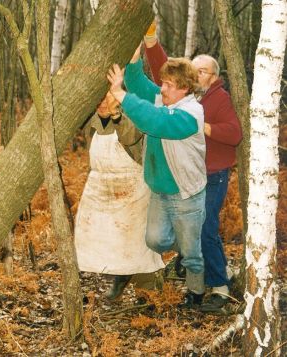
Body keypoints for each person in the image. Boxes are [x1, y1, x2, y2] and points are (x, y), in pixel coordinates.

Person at [144, 22, 243, 312]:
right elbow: (164, 68)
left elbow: (234, 134)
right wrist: (151, 43)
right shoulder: (190, 96)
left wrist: (202, 127)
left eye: (202, 71)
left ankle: (221, 287)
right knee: (191, 231)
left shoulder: (219, 99)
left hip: (213, 175)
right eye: (194, 70)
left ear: (213, 76)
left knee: (206, 229)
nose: (196, 74)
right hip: (190, 176)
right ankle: (193, 265)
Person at [106, 47, 207, 309]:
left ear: (184, 89)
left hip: (186, 194)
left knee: (193, 255)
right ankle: (185, 243)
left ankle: (195, 295)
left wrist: (121, 95)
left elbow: (156, 122)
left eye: (169, 85)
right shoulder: (164, 100)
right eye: (163, 82)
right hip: (160, 190)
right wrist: (133, 57)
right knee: (155, 240)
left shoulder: (191, 114)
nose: (162, 88)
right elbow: (139, 84)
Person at [74, 92, 164, 301]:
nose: (103, 103)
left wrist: (116, 116)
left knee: (137, 243)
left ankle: (148, 291)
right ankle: (118, 283)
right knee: (103, 239)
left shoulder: (132, 115)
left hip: (132, 188)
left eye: (108, 97)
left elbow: (131, 136)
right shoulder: (93, 122)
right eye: (99, 98)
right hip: (101, 187)